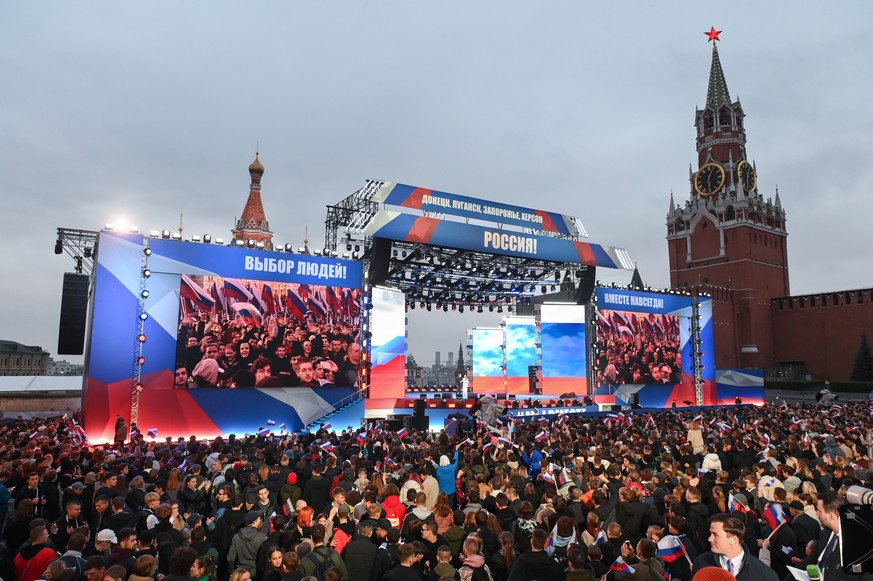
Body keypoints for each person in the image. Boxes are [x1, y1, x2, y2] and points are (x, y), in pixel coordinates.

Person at [690, 514, 777, 581]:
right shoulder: (701, 563)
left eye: (715, 535)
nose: (709, 539)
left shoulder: (765, 574)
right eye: (710, 533)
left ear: (733, 539)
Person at [227, 511, 266, 577]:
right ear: (255, 521)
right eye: (259, 518)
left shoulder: (236, 537)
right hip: (255, 573)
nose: (260, 520)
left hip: (240, 573)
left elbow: (230, 558)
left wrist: (232, 572)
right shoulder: (262, 538)